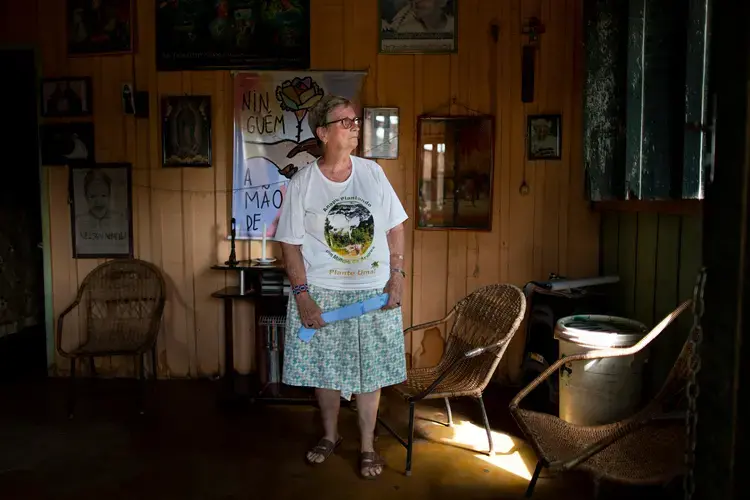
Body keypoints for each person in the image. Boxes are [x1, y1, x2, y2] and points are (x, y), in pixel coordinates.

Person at [274, 95, 408, 479]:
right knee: (325, 372)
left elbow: (395, 227)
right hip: (324, 292)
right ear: (323, 133)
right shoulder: (303, 182)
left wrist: (396, 276)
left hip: (373, 292)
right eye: (345, 121)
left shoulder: (373, 173)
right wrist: (303, 297)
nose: (354, 126)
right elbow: (290, 244)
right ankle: (331, 435)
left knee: (372, 371)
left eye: (355, 120)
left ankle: (367, 445)